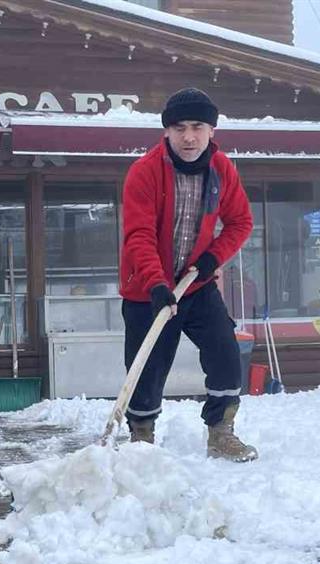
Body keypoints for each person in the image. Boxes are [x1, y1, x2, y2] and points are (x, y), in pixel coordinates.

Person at [119, 87, 257, 461]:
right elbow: (139, 235)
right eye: (179, 128)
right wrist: (157, 284)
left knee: (226, 352)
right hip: (148, 291)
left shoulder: (221, 170)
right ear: (166, 132)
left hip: (196, 285)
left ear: (212, 130)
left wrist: (213, 258)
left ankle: (221, 431)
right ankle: (141, 439)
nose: (188, 136)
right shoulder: (144, 172)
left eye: (197, 126)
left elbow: (240, 221)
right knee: (147, 367)